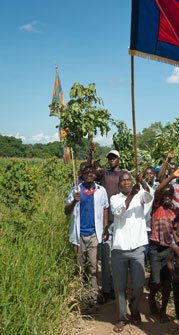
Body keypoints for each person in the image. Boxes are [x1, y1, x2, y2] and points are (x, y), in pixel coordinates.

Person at [110, 171, 153, 333]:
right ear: (119, 183)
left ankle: (134, 309)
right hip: (119, 248)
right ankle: (122, 317)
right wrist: (132, 195)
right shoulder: (115, 198)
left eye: (129, 180)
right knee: (119, 287)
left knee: (138, 284)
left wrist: (142, 182)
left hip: (137, 247)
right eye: (123, 180)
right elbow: (119, 212)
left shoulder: (140, 193)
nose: (127, 183)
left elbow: (149, 197)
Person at [87, 143, 129, 303]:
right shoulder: (104, 173)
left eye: (114, 157)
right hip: (106, 221)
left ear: (119, 159)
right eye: (109, 158)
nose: (111, 160)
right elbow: (88, 171)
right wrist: (91, 153)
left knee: (119, 256)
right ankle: (106, 289)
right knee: (105, 257)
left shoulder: (125, 175)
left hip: (121, 221)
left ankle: (117, 288)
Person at [64, 166, 109, 306]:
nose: (89, 175)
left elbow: (105, 207)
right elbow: (66, 211)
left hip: (94, 235)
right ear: (82, 176)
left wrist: (105, 228)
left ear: (95, 176)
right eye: (86, 173)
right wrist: (74, 201)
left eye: (91, 173)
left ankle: (92, 298)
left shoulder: (101, 191)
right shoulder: (75, 190)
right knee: (80, 267)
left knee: (93, 267)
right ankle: (80, 297)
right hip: (78, 236)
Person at [148, 183, 179, 322]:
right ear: (161, 196)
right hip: (155, 249)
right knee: (156, 281)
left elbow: (175, 230)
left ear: (173, 196)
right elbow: (157, 190)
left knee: (167, 283)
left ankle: (163, 311)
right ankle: (151, 297)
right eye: (165, 195)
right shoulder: (156, 205)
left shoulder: (175, 211)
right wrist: (172, 176)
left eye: (170, 195)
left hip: (167, 249)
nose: (167, 197)